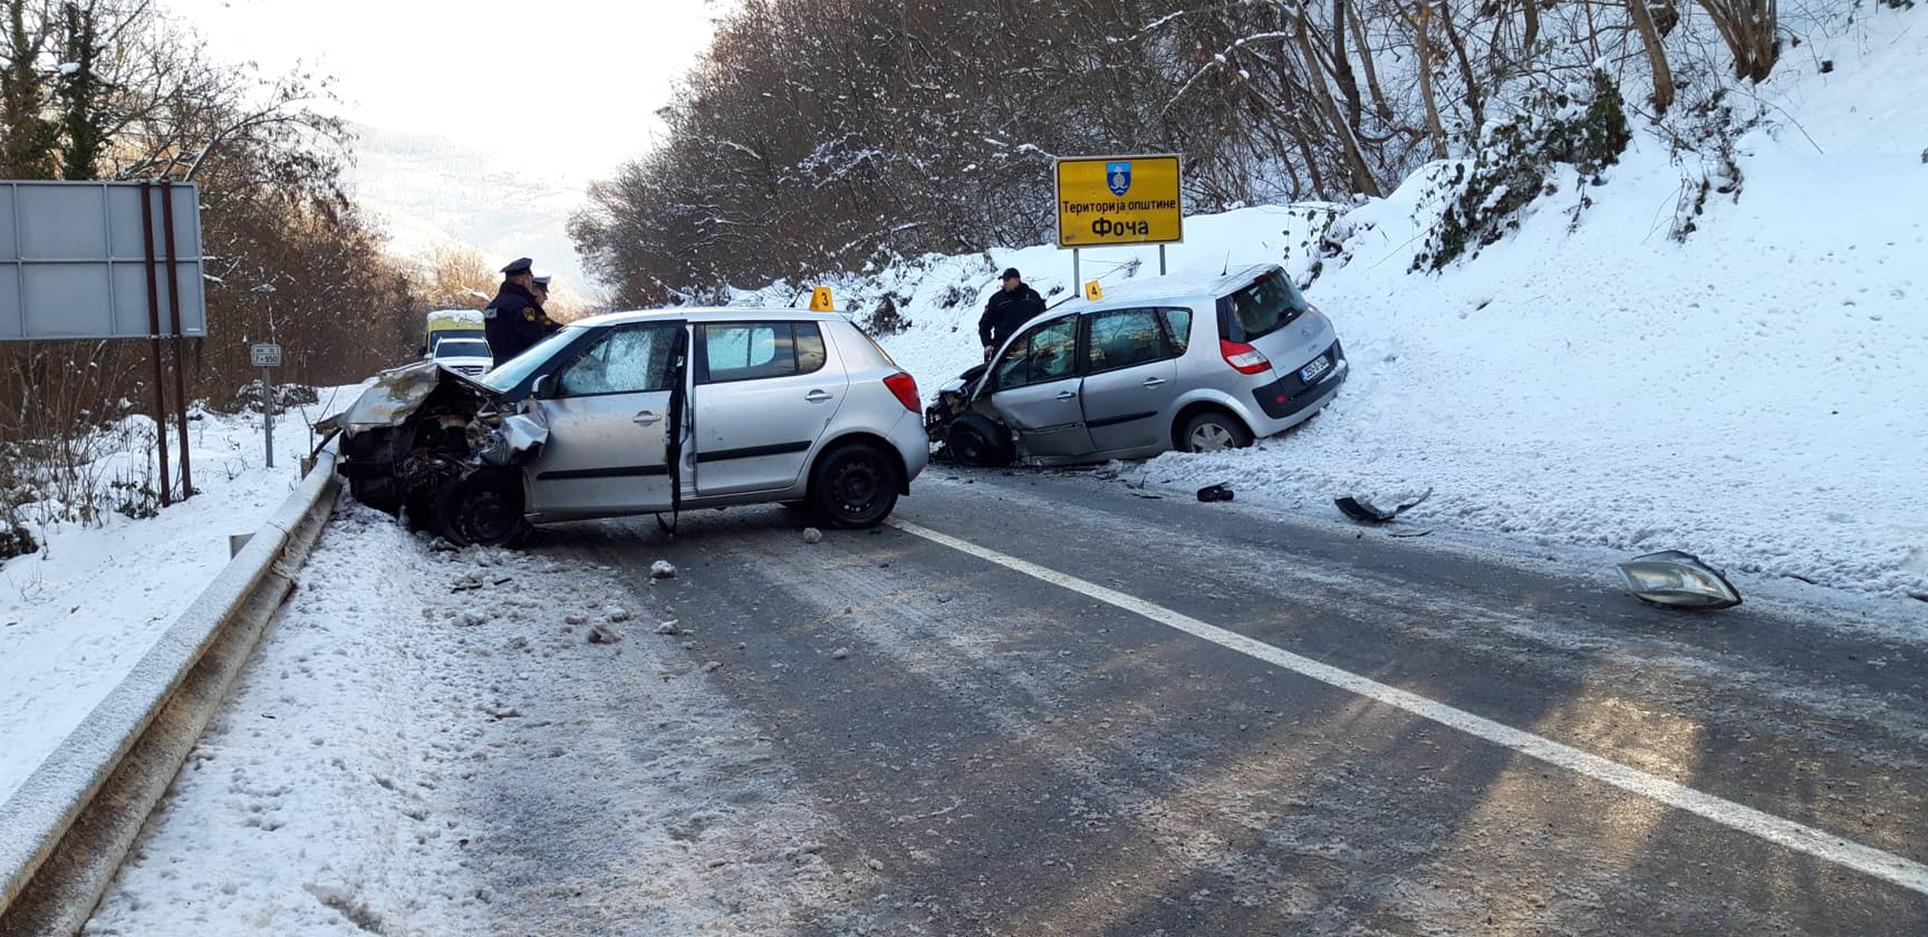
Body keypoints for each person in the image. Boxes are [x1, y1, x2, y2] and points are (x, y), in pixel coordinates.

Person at [483, 258, 558, 362]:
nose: (531, 283)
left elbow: (542, 320)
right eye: (531, 280)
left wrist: (559, 328)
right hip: (522, 368)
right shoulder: (521, 307)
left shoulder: (494, 305)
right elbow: (536, 336)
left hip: (500, 370)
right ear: (524, 280)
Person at [978, 267, 1044, 359]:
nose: (1004, 283)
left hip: (1029, 348)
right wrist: (987, 343)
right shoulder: (997, 300)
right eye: (1004, 280)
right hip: (1003, 349)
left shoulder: (1033, 297)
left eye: (1007, 280)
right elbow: (985, 323)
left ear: (1017, 280)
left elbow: (1043, 319)